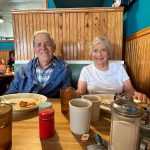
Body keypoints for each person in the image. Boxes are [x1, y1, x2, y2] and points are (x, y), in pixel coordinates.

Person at [75, 36, 149, 103]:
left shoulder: (119, 68)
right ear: (91, 53)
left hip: (118, 107)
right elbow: (81, 91)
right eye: (95, 50)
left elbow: (129, 90)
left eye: (103, 50)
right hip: (94, 106)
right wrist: (72, 93)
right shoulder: (86, 70)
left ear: (109, 53)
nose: (99, 54)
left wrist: (137, 95)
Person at [7, 30, 71, 98]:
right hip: (25, 106)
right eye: (39, 44)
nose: (43, 48)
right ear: (34, 49)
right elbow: (11, 94)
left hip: (51, 107)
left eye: (47, 44)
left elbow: (66, 97)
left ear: (54, 48)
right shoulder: (23, 70)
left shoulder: (64, 69)